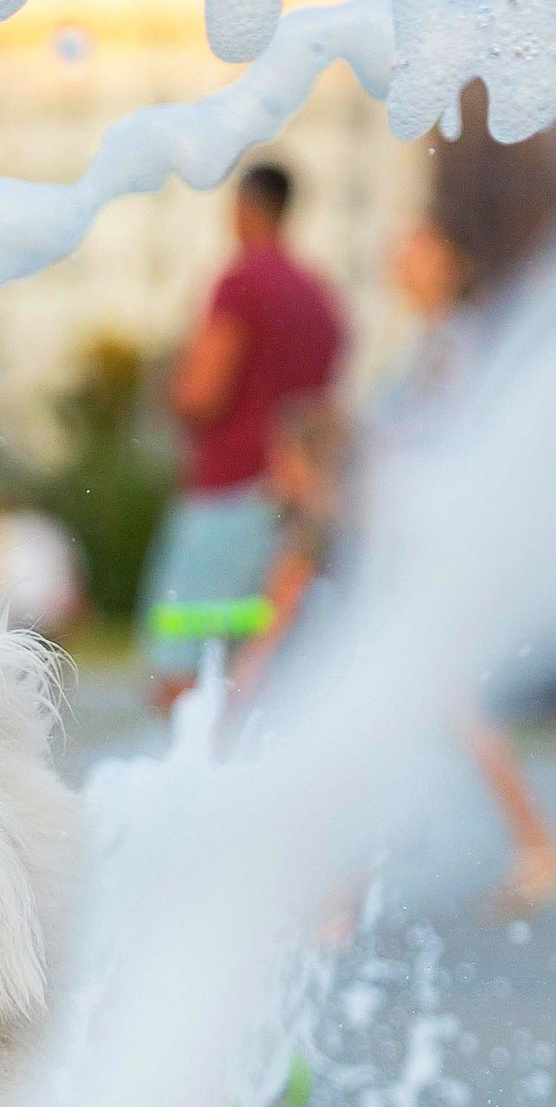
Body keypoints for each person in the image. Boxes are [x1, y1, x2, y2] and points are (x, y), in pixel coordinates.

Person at [375, 91, 556, 918]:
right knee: (425, 707)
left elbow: (452, 452)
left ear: (447, 263)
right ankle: (526, 846)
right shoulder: (437, 344)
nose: (398, 255)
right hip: (415, 549)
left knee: (437, 705)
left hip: (433, 553)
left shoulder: (458, 347)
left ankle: (538, 845)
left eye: (415, 246)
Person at [142, 161, 347, 711]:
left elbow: (201, 394)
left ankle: (195, 766)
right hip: (294, 508)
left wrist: (172, 385)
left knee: (181, 665)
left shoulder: (240, 282)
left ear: (242, 210)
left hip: (227, 495)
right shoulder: (320, 296)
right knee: (256, 659)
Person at [233, 389, 347, 703]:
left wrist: (241, 681)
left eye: (281, 457)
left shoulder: (311, 527)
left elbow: (277, 612)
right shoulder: (349, 518)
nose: (273, 468)